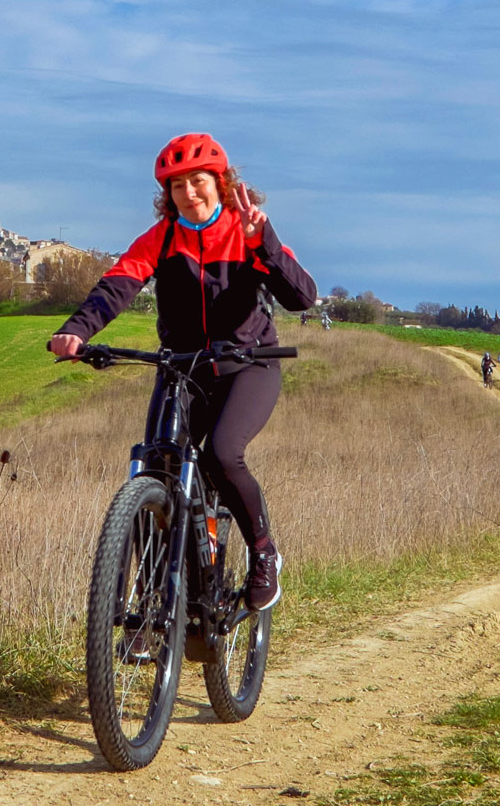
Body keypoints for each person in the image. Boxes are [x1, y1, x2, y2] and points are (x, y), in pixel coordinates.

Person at [48, 133, 318, 610]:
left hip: (248, 365)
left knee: (221, 454)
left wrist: (265, 243)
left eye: (198, 181)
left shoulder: (248, 232)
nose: (189, 193)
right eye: (177, 186)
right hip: (182, 368)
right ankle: (158, 601)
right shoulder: (162, 239)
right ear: (167, 195)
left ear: (221, 183)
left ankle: (263, 553)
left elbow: (302, 297)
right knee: (158, 463)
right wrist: (76, 330)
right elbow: (116, 287)